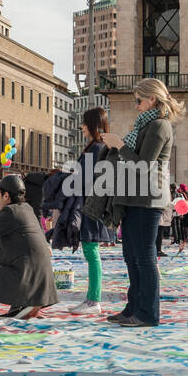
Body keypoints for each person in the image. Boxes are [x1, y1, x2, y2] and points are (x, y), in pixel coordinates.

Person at [99, 79, 182, 327]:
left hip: (148, 199)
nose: (136, 106)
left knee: (145, 257)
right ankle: (134, 307)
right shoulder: (146, 124)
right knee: (131, 255)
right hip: (135, 197)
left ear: (152, 99)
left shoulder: (159, 126)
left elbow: (144, 165)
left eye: (139, 100)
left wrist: (119, 145)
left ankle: (148, 313)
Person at [0, 174, 58, 319]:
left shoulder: (11, 212)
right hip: (40, 281)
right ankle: (22, 304)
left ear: (6, 196)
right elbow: (1, 229)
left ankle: (24, 301)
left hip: (26, 278)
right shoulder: (25, 209)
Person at [74, 106, 116, 310]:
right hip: (90, 205)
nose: (81, 126)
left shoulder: (97, 148)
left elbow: (88, 179)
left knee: (91, 251)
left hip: (92, 207)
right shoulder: (96, 147)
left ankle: (94, 299)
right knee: (91, 250)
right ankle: (92, 298)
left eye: (84, 122)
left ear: (93, 125)